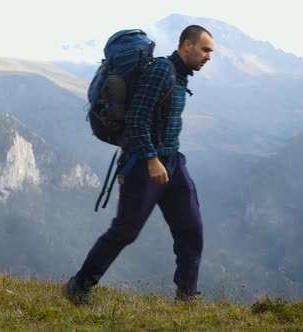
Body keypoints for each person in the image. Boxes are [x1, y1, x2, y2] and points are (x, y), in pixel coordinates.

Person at [62, 25, 214, 305]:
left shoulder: (179, 76)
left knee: (191, 231)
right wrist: (151, 159)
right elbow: (136, 118)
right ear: (187, 45)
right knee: (125, 231)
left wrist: (165, 160)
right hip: (145, 164)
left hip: (173, 163)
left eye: (211, 52)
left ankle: (187, 296)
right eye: (205, 50)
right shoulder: (161, 72)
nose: (208, 57)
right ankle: (79, 285)